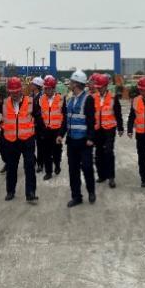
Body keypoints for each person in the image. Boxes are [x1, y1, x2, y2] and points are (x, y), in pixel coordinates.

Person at [60, 69, 97, 207]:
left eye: (71, 81)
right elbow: (66, 119)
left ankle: (91, 191)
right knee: (73, 170)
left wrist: (91, 138)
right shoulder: (69, 99)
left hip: (84, 141)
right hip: (71, 141)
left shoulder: (88, 99)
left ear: (76, 83)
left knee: (87, 167)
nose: (69, 83)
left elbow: (92, 120)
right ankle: (76, 197)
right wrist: (60, 134)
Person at [92, 73, 124, 188]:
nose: (99, 89)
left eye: (101, 87)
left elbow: (118, 113)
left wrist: (120, 127)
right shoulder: (93, 97)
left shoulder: (113, 97)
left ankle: (111, 177)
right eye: (98, 87)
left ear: (106, 86)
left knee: (108, 152)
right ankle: (101, 175)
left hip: (109, 129)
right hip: (97, 130)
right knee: (98, 153)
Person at [39, 75, 65, 179]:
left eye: (49, 88)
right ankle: (48, 172)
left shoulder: (61, 99)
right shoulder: (41, 99)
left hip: (57, 131)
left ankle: (57, 164)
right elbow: (40, 116)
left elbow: (64, 117)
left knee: (57, 152)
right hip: (46, 130)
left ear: (54, 88)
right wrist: (42, 130)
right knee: (46, 152)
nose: (47, 90)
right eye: (45, 88)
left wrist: (61, 133)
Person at [30, 77, 45, 173]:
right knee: (30, 145)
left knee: (40, 145)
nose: (31, 85)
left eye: (32, 84)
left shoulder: (42, 97)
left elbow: (42, 111)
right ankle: (34, 160)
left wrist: (34, 116)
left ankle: (40, 163)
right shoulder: (30, 96)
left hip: (39, 125)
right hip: (30, 125)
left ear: (37, 86)